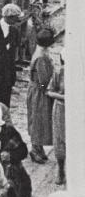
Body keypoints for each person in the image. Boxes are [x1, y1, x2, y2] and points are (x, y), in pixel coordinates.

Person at [26, 28, 55, 165]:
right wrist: (47, 91)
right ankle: (35, 149)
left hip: (36, 89)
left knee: (38, 119)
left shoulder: (39, 52)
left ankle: (39, 147)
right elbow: (43, 79)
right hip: (39, 91)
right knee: (38, 119)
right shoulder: (42, 57)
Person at [47, 51, 66, 185]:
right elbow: (49, 90)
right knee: (59, 140)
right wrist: (64, 97)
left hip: (78, 109)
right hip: (61, 108)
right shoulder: (59, 72)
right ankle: (60, 169)